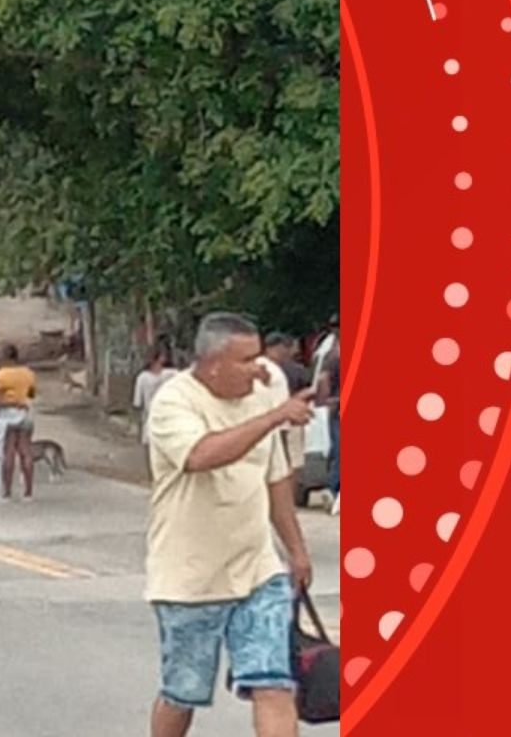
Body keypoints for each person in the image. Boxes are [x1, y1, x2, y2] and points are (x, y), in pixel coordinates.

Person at [145, 313, 315, 737]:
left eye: (259, 356)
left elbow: (274, 478)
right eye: (247, 360)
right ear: (213, 364)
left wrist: (295, 550)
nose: (260, 369)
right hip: (191, 579)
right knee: (183, 692)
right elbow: (202, 455)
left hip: (258, 571)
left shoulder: (262, 391)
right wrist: (274, 418)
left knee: (273, 684)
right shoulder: (174, 402)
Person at [0, 344, 39, 500]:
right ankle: (28, 492)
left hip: (7, 415)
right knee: (25, 452)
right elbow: (32, 394)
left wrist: (11, 403)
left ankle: (7, 492)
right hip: (25, 413)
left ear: (4, 356)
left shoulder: (1, 375)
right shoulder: (28, 373)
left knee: (9, 452)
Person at [262, 333, 312, 473]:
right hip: (277, 424)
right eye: (286, 348)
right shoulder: (266, 368)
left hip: (283, 422)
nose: (290, 352)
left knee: (288, 464)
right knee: (284, 465)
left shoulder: (278, 368)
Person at [132, 339, 179, 450]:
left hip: (155, 419)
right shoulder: (171, 374)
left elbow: (138, 403)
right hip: (163, 419)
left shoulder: (144, 377)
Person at [313, 346, 341, 516]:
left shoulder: (333, 354)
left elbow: (323, 379)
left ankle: (332, 488)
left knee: (338, 449)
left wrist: (324, 401)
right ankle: (334, 488)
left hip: (336, 408)